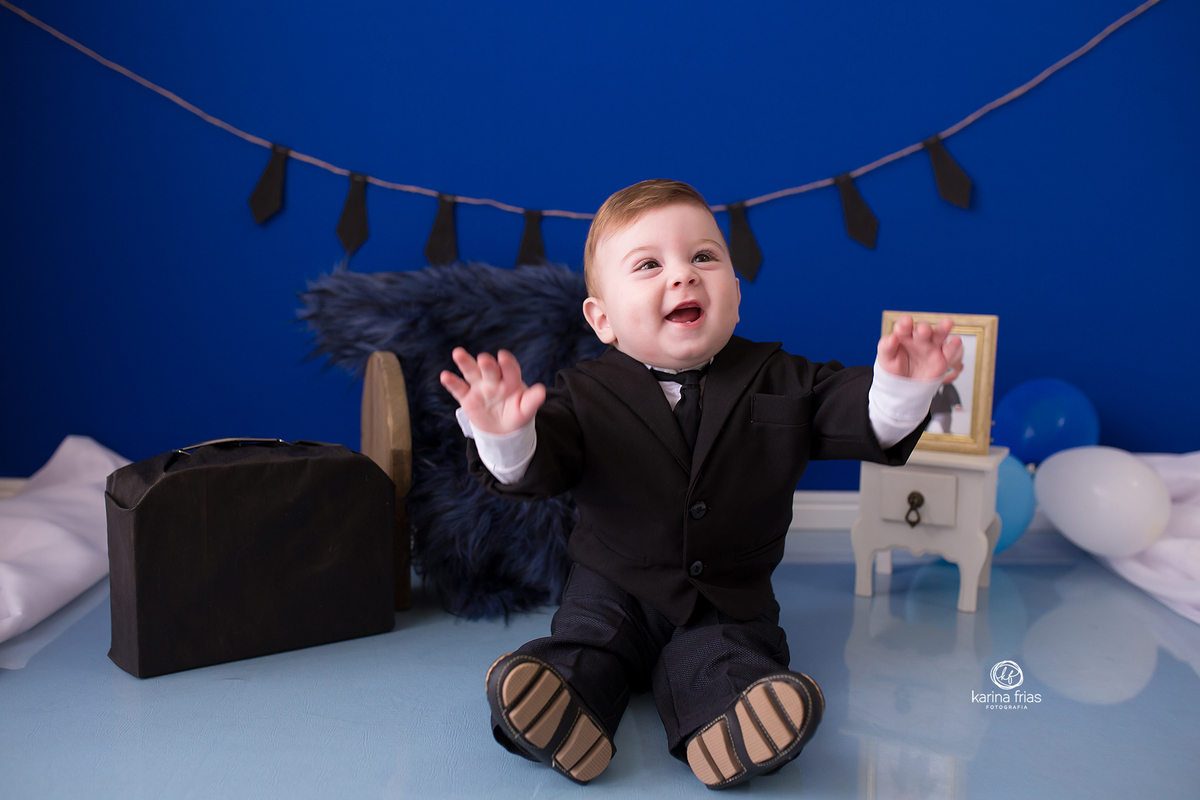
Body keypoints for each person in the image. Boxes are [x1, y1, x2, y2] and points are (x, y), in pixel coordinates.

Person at [439, 179, 963, 789]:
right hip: (614, 586)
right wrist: (505, 436)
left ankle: (732, 722)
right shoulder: (583, 393)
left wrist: (901, 391)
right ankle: (563, 697)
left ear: (736, 292)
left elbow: (849, 411)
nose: (683, 276)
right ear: (602, 319)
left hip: (728, 595)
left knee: (724, 658)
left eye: (704, 257)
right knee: (591, 643)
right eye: (649, 265)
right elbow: (541, 461)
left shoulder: (780, 375)